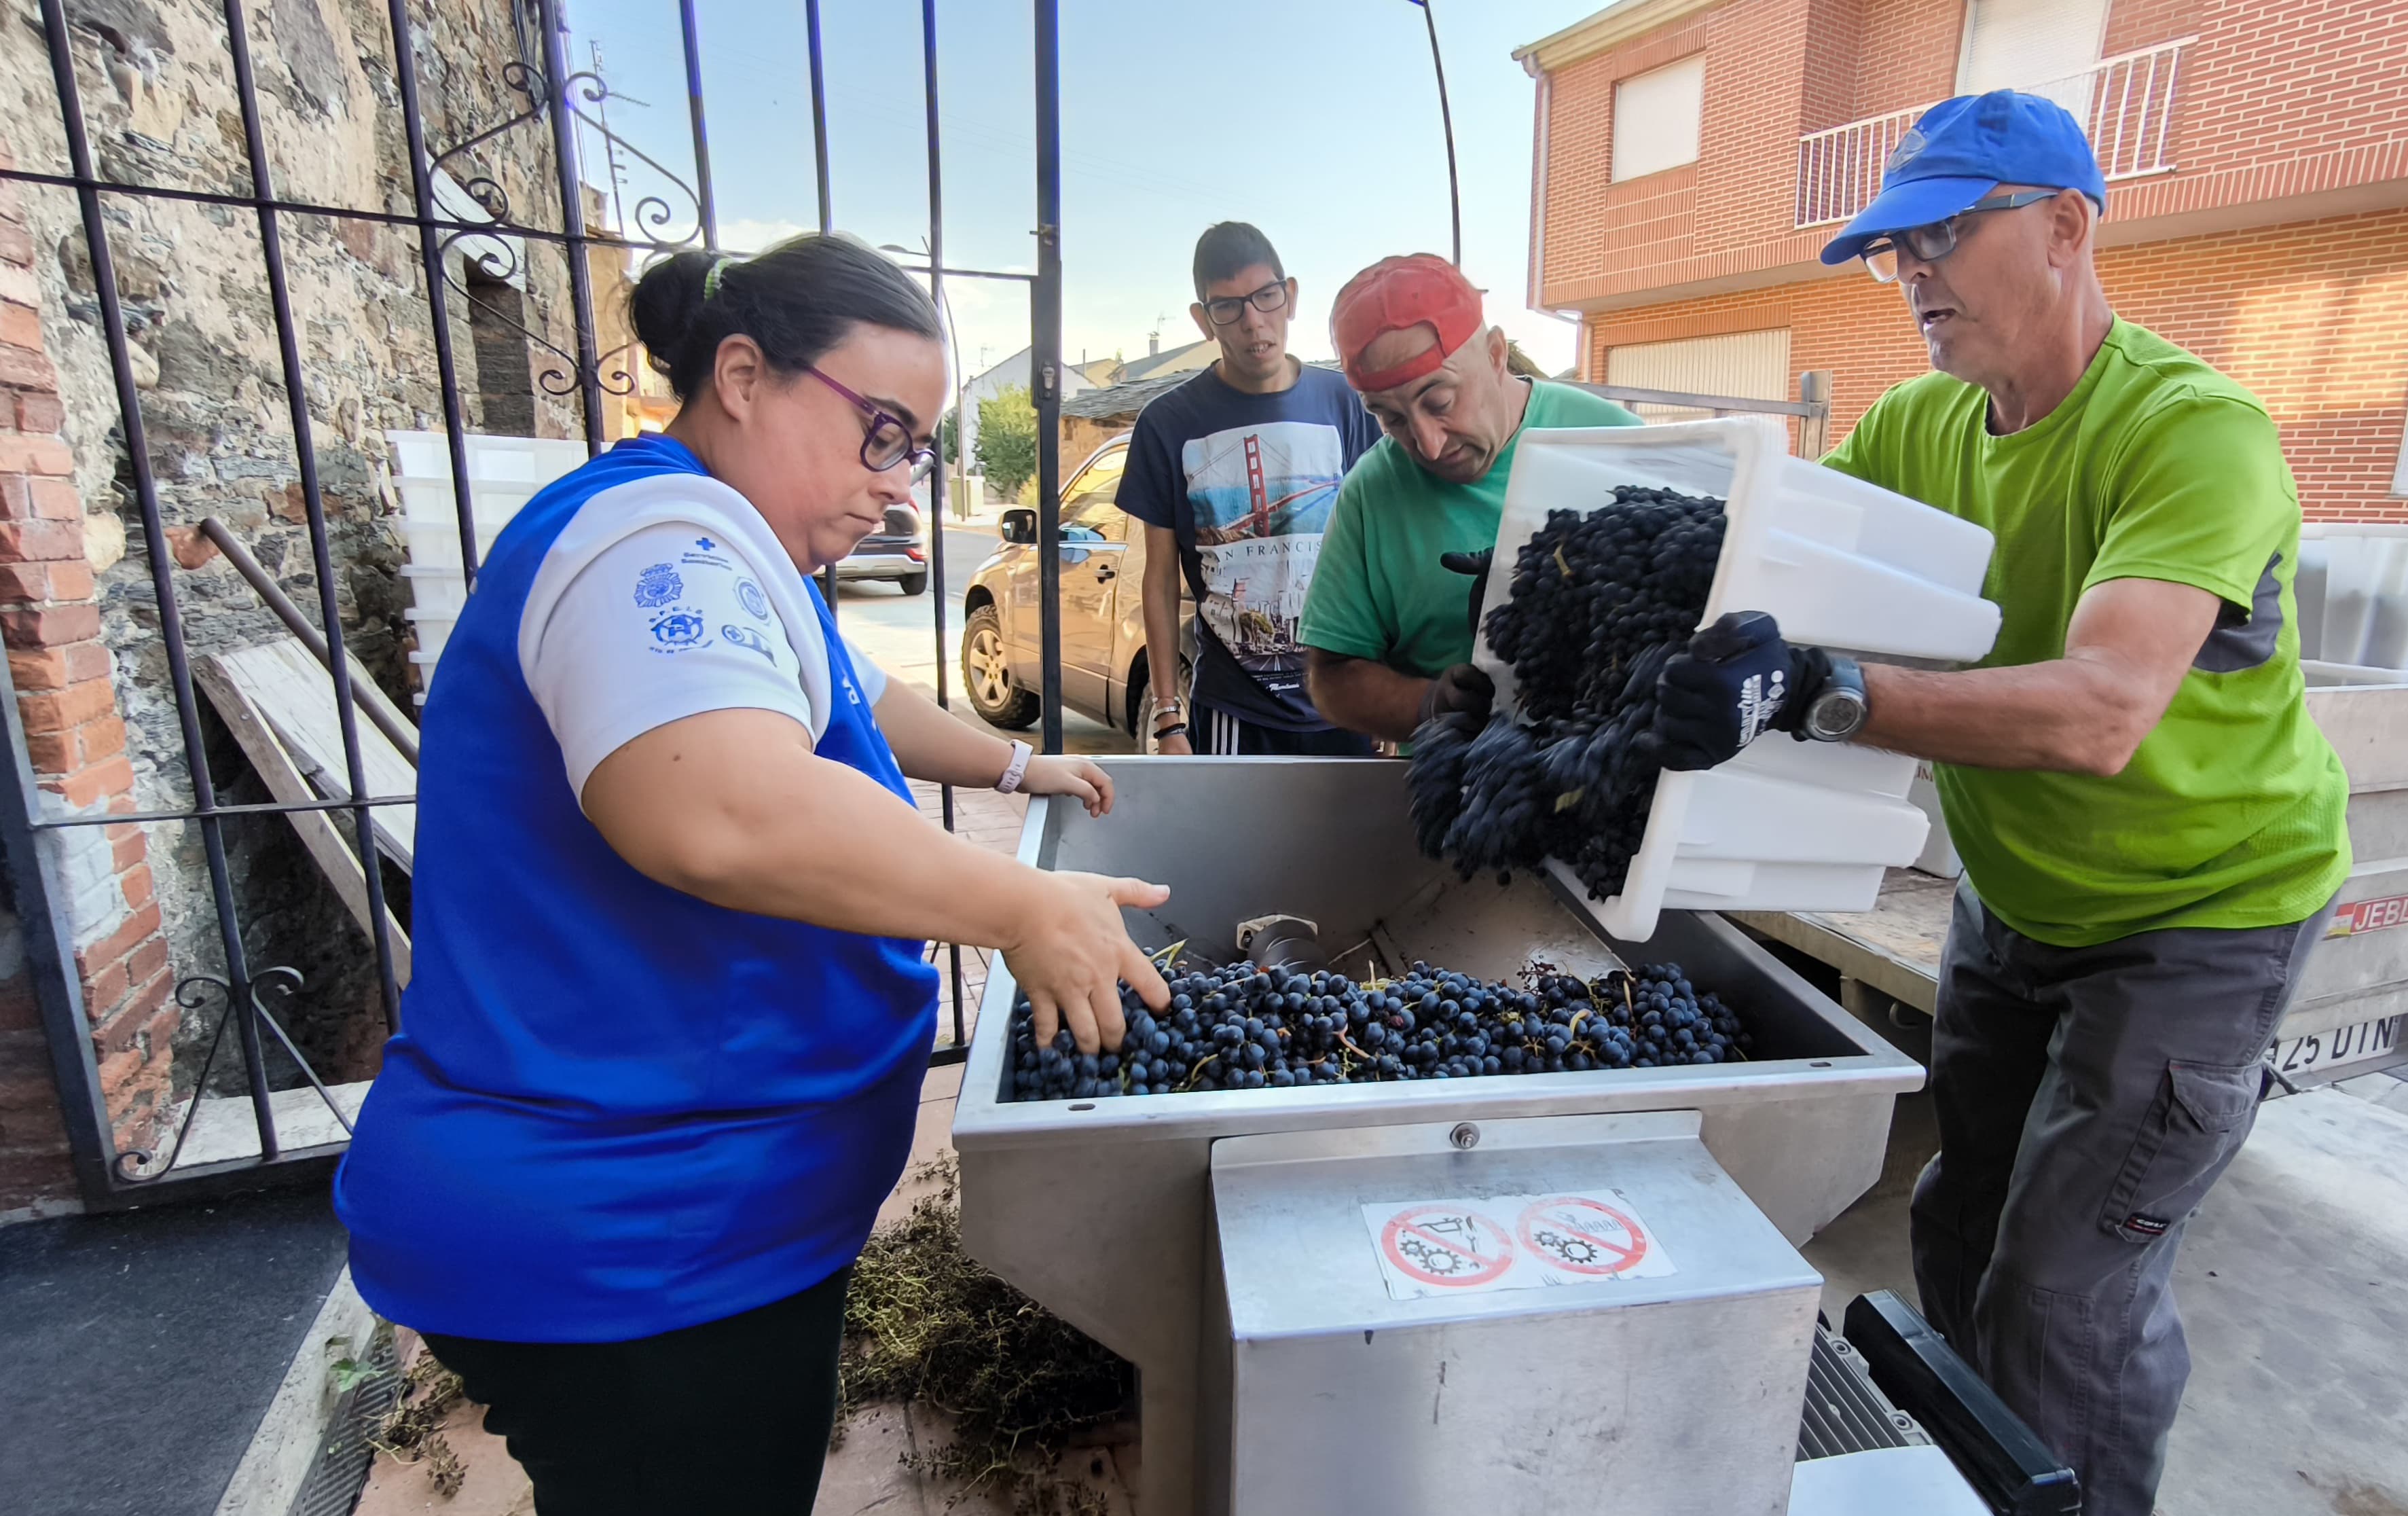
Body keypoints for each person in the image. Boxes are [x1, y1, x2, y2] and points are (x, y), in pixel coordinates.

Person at [333, 234, 1169, 1516]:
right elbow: (716, 808)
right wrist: (1016, 904)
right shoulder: (649, 541)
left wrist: (1014, 768)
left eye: (917, 448)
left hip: (695, 1224)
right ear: (741, 373)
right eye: (880, 431)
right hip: (633, 1241)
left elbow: (859, 693)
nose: (897, 487)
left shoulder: (734, 551)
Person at [1647, 92, 2351, 1516]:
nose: (1909, 277)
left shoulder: (2190, 433)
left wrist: (1814, 691)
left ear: (2064, 226)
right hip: (2017, 899)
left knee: (2062, 1293)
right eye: (1895, 250)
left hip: (2199, 917)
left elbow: (2099, 711)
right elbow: (1764, 571)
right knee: (1958, 1226)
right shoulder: (1923, 427)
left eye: (1943, 237)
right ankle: (1991, 1483)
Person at [1297, 253, 1639, 742]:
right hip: (1466, 800)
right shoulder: (1370, 495)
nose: (1428, 445)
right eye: (1392, 419)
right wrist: (1428, 703)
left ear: (1496, 353)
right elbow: (1330, 677)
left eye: (1440, 402)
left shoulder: (1612, 442)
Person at [1118, 222, 1378, 755]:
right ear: (1202, 319)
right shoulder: (1167, 423)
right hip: (1236, 708)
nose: (1253, 322)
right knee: (1239, 843)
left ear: (1292, 296)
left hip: (1349, 696)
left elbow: (1383, 550)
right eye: (1227, 307)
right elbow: (1161, 577)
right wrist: (1169, 717)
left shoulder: (1349, 404)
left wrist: (1391, 687)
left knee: (1354, 842)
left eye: (1266, 296)